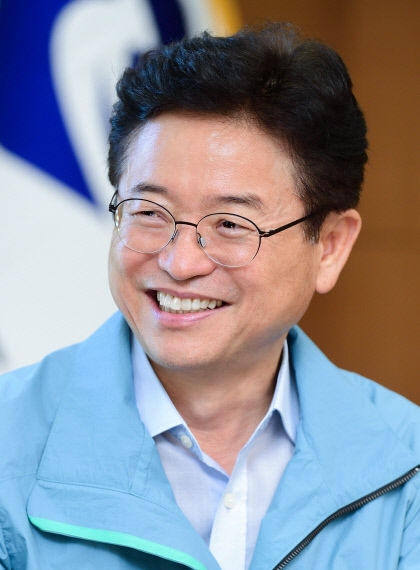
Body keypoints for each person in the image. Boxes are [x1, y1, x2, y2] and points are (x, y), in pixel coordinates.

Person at [1, 22, 419, 570]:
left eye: (230, 224)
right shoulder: (8, 443)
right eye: (150, 213)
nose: (180, 263)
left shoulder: (407, 467)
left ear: (331, 246)